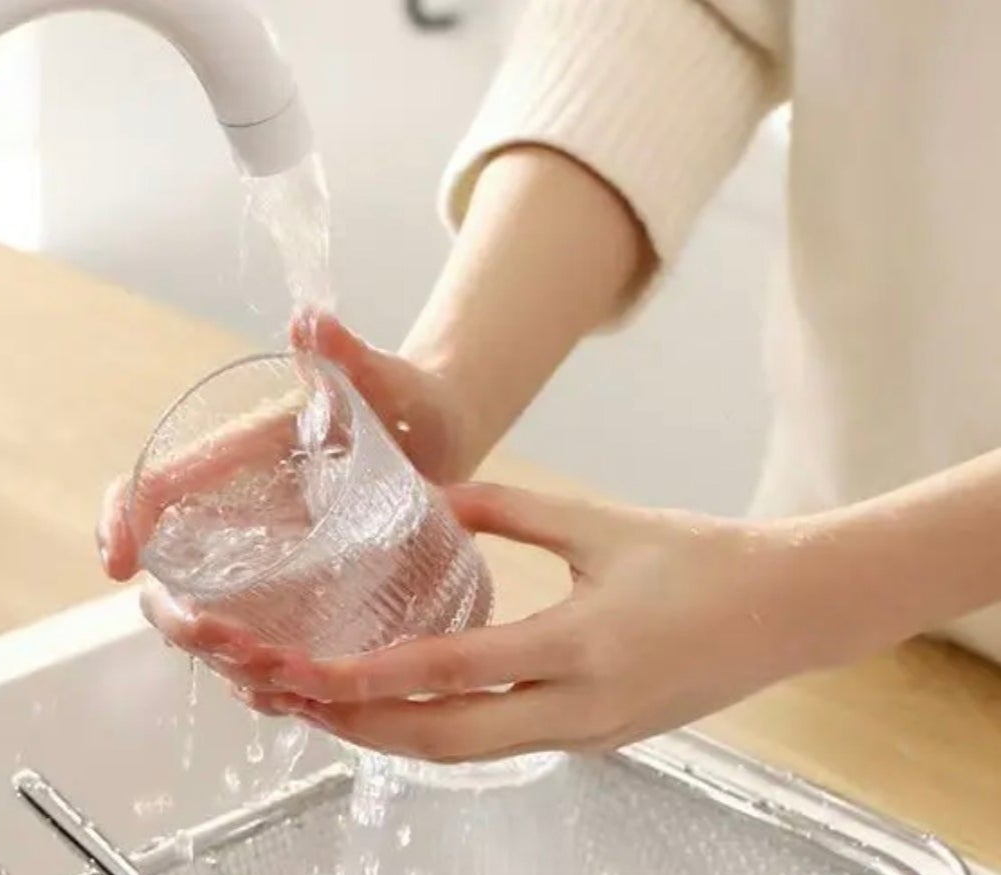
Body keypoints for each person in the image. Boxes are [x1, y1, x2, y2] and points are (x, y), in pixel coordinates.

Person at [101, 0, 1001, 764]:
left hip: (815, 608)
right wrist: (454, 383)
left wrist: (795, 598)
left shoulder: (782, 609)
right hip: (854, 652)